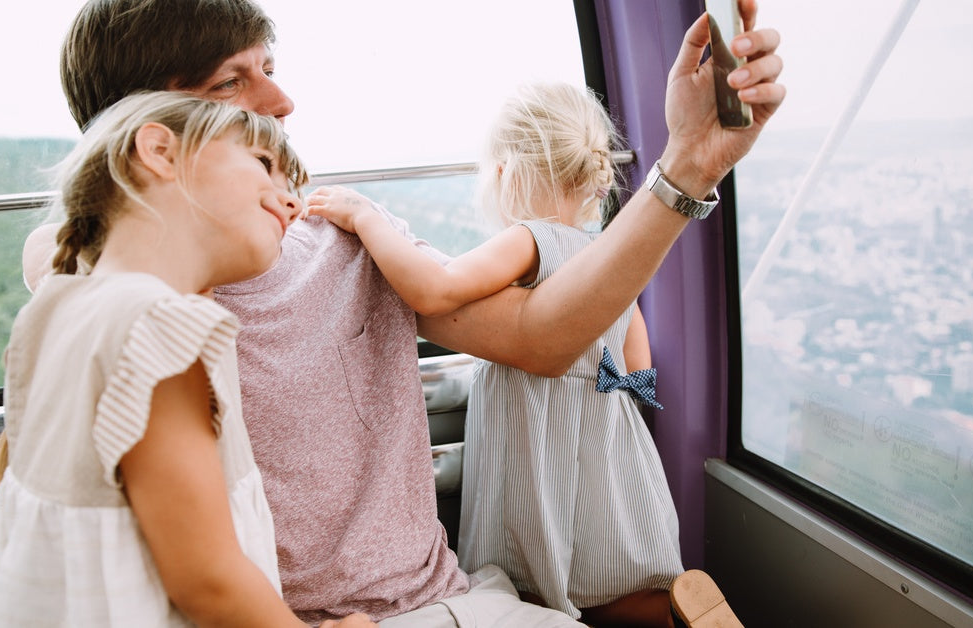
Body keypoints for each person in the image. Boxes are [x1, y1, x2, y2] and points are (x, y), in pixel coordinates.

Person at [21, 0, 785, 625]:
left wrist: (687, 165)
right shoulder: (102, 289)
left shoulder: (346, 236)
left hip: (441, 602)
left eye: (272, 71)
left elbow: (543, 339)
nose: (282, 105)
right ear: (146, 132)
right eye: (232, 83)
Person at [304, 81, 736, 628]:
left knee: (540, 581)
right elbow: (637, 372)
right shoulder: (608, 258)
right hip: (613, 452)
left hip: (537, 453)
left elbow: (434, 289)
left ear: (507, 171)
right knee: (618, 572)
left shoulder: (530, 240)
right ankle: (671, 614)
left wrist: (367, 218)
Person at [0, 91, 373, 628]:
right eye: (264, 165)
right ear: (160, 151)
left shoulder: (53, 311)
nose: (293, 203)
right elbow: (207, 582)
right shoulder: (159, 327)